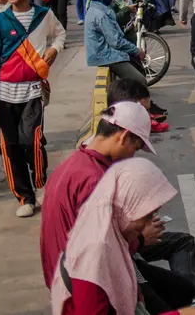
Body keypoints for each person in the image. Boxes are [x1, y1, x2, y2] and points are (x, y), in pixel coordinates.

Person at [48, 157, 195, 315]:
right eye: (146, 216)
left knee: (182, 290)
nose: (147, 225)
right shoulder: (95, 257)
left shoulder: (109, 233)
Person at [39, 102, 156, 288]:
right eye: (135, 148)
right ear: (124, 137)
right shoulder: (94, 180)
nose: (133, 156)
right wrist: (141, 239)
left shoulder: (75, 163)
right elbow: (104, 251)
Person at [0, 0, 65, 217]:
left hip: (33, 90)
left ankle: (40, 184)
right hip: (5, 93)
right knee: (11, 147)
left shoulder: (44, 15)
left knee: (33, 140)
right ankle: (24, 197)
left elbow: (59, 34)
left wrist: (55, 50)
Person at [84, 0, 152, 84]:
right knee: (140, 81)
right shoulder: (101, 15)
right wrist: (137, 51)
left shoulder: (96, 8)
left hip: (105, 53)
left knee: (137, 67)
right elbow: (115, 41)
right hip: (107, 56)